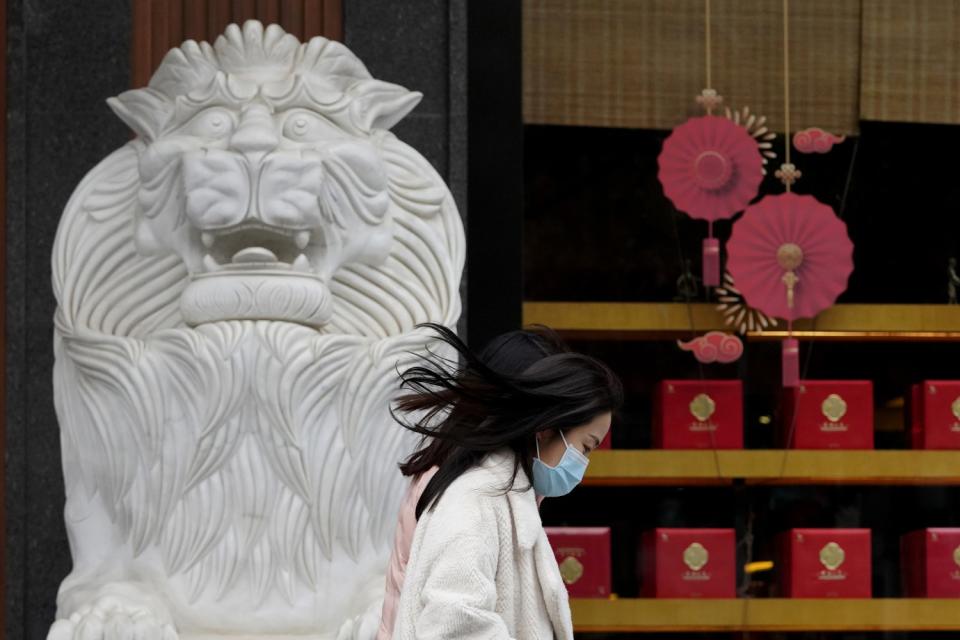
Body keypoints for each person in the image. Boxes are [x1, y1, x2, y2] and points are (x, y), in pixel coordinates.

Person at [380, 323, 622, 639]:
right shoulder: (473, 497)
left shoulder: (505, 490)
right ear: (545, 424)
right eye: (586, 446)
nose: (584, 463)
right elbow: (454, 623)